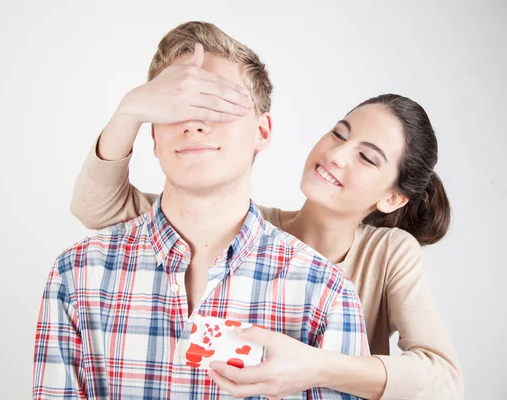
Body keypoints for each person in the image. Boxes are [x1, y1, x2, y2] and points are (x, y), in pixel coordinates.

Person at [69, 28, 464, 400]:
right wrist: (131, 111)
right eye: (339, 134)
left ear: (393, 198)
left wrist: (318, 367)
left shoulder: (387, 253)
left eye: (366, 157)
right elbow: (96, 205)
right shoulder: (238, 228)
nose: (337, 155)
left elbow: (443, 381)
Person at [33, 21, 369, 400]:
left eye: (218, 102)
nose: (193, 123)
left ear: (262, 131)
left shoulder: (323, 292)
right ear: (153, 136)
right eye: (174, 106)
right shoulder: (76, 276)